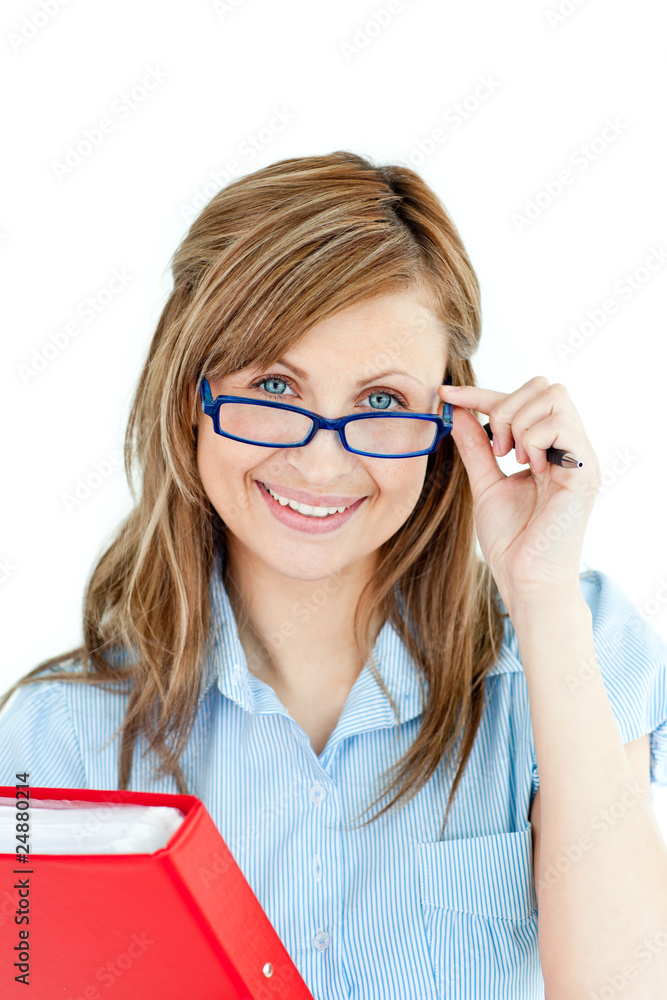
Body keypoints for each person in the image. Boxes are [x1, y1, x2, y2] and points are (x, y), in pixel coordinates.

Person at [1, 150, 666, 999]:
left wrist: (539, 593)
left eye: (382, 402)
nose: (319, 462)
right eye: (274, 383)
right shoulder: (59, 738)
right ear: (188, 397)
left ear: (452, 421)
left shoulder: (566, 655)